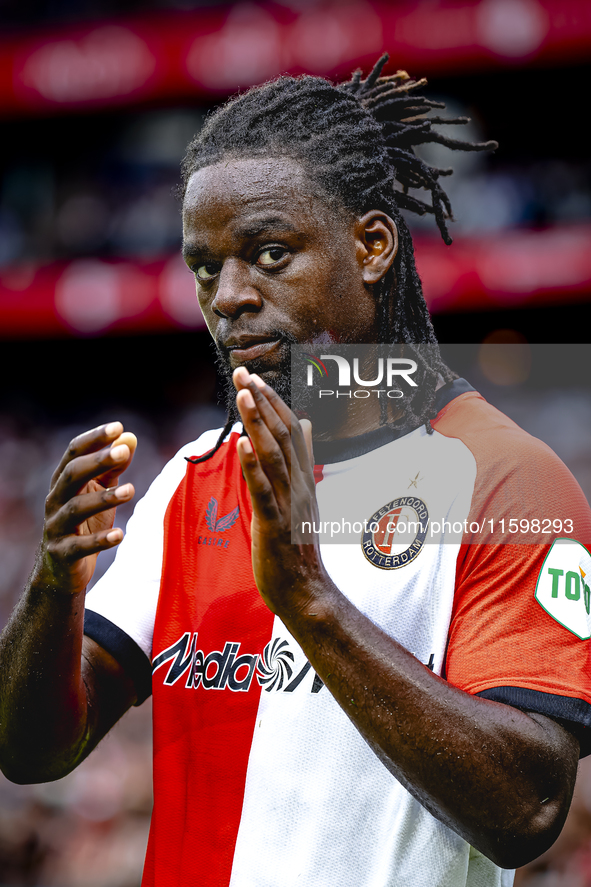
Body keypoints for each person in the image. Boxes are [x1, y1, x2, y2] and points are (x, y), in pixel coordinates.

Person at [1, 56, 590, 887]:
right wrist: (53, 586)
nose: (228, 295)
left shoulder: (506, 480)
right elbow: (30, 753)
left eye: (269, 254)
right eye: (205, 267)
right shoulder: (188, 486)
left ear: (372, 245)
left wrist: (308, 600)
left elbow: (525, 814)